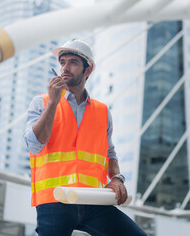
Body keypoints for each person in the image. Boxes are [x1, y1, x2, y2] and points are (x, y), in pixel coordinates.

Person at [23, 39, 147, 236]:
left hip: (92, 200)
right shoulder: (42, 102)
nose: (65, 67)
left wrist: (116, 178)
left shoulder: (102, 111)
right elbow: (34, 144)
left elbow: (109, 152)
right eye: (62, 62)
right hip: (56, 199)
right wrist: (53, 103)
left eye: (73, 62)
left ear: (87, 71)